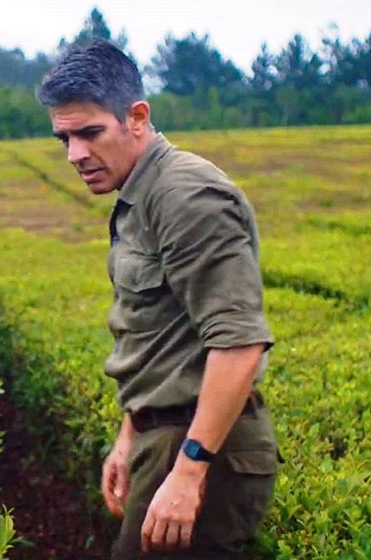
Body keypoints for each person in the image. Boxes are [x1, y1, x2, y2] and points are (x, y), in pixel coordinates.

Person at [37, 40, 280, 558]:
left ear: (138, 117)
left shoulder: (185, 196)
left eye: (90, 133)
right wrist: (130, 436)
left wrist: (189, 471)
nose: (75, 154)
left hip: (201, 449)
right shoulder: (139, 196)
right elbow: (160, 336)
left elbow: (239, 343)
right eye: (64, 139)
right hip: (164, 438)